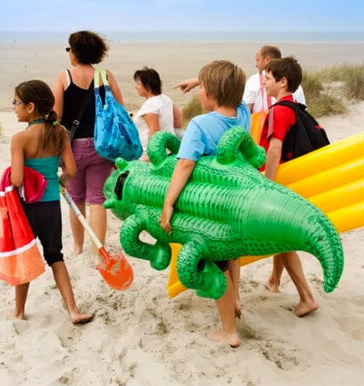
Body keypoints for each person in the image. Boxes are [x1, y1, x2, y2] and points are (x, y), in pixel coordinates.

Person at [163, 61, 249, 347]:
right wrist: (199, 81)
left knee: (217, 264)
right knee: (233, 254)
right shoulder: (243, 113)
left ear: (210, 92)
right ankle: (235, 300)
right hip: (239, 198)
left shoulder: (200, 124)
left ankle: (229, 331)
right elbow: (228, 80)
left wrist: (168, 204)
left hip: (214, 208)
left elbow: (185, 165)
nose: (197, 93)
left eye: (202, 88)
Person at [10, 80, 93, 324]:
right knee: (55, 255)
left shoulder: (20, 139)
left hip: (26, 207)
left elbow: (16, 179)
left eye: (16, 102)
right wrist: (61, 181)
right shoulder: (60, 132)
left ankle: (19, 311)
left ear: (30, 107)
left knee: (24, 254)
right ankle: (73, 310)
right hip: (50, 206)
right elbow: (71, 169)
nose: (14, 107)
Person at [52, 31, 125, 255]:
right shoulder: (106, 76)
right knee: (97, 199)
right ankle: (98, 253)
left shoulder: (64, 77)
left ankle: (77, 247)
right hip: (102, 147)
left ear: (74, 52)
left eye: (69, 49)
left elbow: (56, 115)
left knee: (76, 199)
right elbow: (119, 111)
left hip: (72, 149)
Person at [260, 57, 319, 317]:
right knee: (279, 236)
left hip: (282, 184)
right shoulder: (296, 107)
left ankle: (307, 297)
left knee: (282, 238)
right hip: (295, 183)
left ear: (283, 82)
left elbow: (275, 148)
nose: (264, 81)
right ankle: (274, 280)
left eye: (268, 77)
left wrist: (267, 184)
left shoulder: (278, 111)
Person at [132, 67, 183, 157]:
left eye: (138, 84)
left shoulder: (150, 106)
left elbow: (154, 130)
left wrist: (149, 155)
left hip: (152, 152)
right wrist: (173, 133)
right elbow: (177, 116)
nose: (136, 87)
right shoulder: (165, 98)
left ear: (147, 86)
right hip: (168, 149)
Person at [243, 45, 306, 115]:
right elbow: (303, 111)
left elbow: (246, 112)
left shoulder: (253, 81)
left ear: (267, 59)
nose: (256, 65)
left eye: (258, 60)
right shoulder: (295, 84)